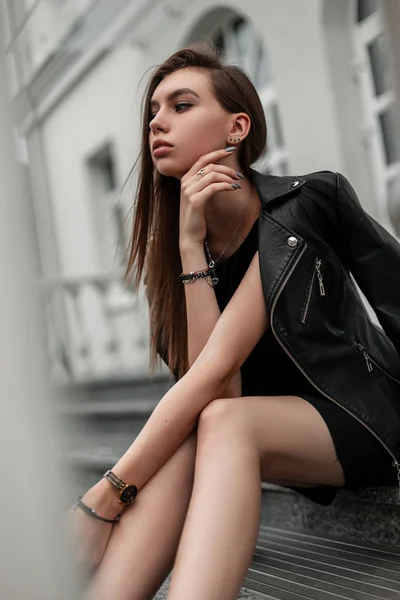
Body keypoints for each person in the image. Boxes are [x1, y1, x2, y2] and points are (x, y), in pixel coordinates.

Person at [68, 41, 400, 600]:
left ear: (237, 127)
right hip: (260, 431)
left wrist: (104, 497)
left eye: (180, 105)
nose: (157, 124)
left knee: (223, 421)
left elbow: (216, 374)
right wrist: (190, 248)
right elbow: (210, 386)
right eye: (152, 112)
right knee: (209, 424)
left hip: (362, 418)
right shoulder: (173, 250)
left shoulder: (304, 206)